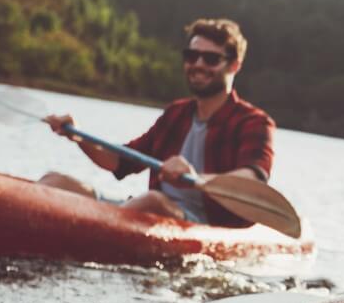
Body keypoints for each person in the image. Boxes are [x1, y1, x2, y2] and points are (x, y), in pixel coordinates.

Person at [39, 17, 275, 227]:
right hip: (146, 209)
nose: (199, 64)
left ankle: (86, 234)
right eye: (192, 56)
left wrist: (195, 178)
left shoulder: (253, 122)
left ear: (234, 65)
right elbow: (119, 161)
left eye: (211, 59)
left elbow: (252, 178)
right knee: (55, 180)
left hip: (203, 224)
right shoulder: (177, 113)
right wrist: (77, 135)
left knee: (152, 201)